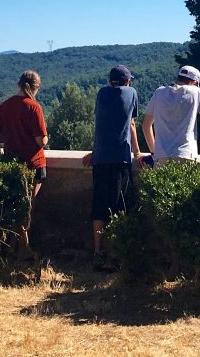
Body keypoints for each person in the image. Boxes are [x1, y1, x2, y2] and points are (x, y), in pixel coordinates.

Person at [80, 65, 143, 270]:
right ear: (127, 81)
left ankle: (98, 252)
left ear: (110, 81)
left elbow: (101, 124)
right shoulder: (131, 93)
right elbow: (131, 124)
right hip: (120, 158)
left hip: (100, 159)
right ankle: (118, 253)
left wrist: (95, 150)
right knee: (120, 207)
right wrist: (139, 152)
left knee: (99, 206)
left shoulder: (101, 94)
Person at [0, 70, 48, 259]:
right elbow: (41, 141)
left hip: (12, 163)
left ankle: (10, 246)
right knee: (27, 208)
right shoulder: (34, 107)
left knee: (13, 207)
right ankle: (24, 249)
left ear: (18, 84)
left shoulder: (5, 106)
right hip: (33, 163)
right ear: (35, 87)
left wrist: (13, 135)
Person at [141, 65, 200, 164]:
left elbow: (146, 125)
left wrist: (154, 152)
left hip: (161, 157)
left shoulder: (159, 92)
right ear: (195, 82)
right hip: (186, 154)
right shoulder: (196, 92)